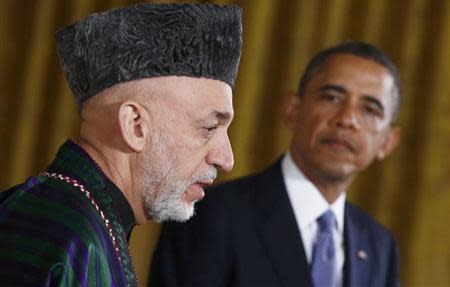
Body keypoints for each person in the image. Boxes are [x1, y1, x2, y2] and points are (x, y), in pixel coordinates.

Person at [0, 3, 242, 286]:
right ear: (135, 125)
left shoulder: (73, 219)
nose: (226, 159)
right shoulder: (70, 239)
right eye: (209, 128)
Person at [150, 41, 402, 287]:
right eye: (332, 98)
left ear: (387, 143)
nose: (347, 119)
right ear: (293, 110)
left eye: (370, 110)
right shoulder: (210, 216)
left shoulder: (379, 246)